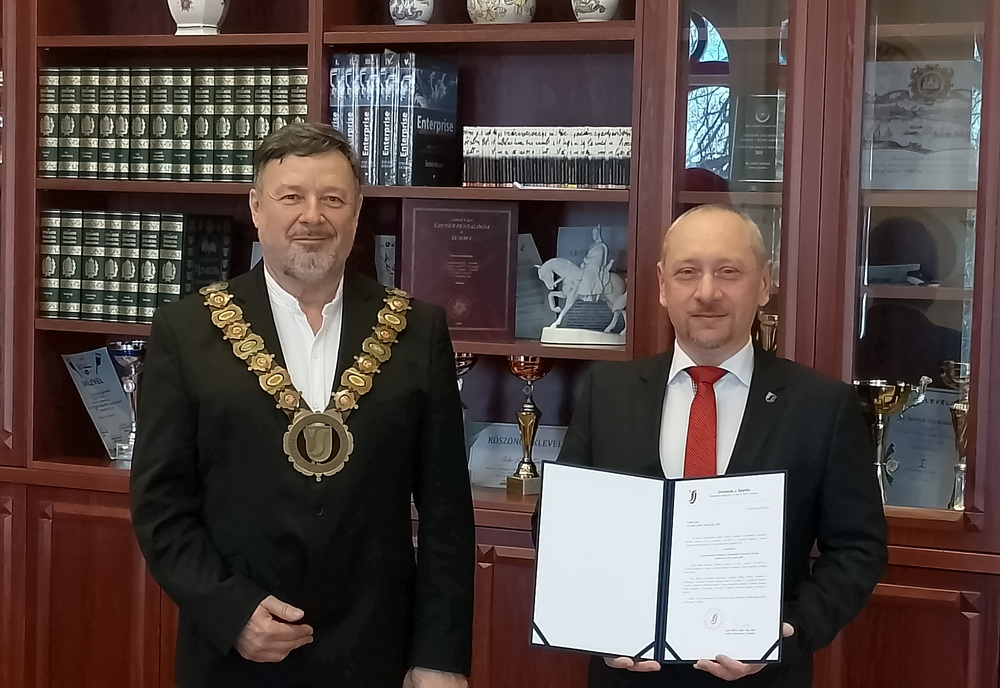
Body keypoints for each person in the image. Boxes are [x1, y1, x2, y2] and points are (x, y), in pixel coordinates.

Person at [130, 123, 475, 688]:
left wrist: (440, 655)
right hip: (235, 656)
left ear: (356, 213)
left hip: (377, 653)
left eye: (332, 199)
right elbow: (160, 507)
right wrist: (231, 612)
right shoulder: (185, 331)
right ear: (256, 208)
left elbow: (446, 513)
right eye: (291, 196)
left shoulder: (418, 330)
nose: (312, 216)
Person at [552, 205, 887, 687]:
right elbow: (562, 526)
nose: (707, 292)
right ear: (663, 285)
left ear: (764, 283)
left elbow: (858, 547)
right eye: (687, 272)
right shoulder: (607, 392)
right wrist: (595, 621)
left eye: (728, 272)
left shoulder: (822, 405)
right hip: (627, 676)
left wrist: (788, 633)